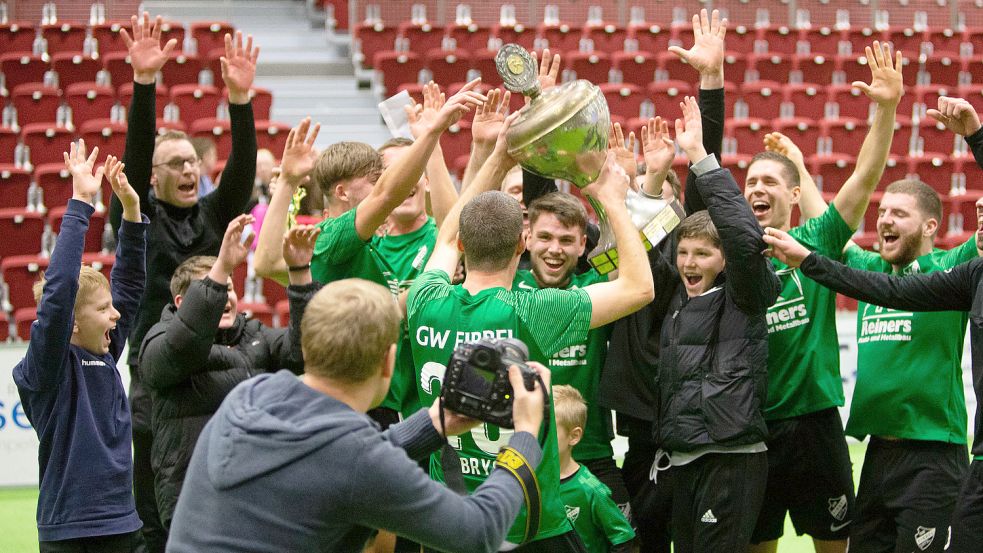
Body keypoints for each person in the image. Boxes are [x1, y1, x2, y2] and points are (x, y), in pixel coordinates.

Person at [406, 101, 654, 550]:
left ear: (464, 243)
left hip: (449, 523)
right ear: (523, 244)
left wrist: (498, 156)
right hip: (526, 524)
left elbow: (445, 234)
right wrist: (611, 200)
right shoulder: (531, 309)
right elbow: (638, 287)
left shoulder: (424, 299)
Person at [166, 274, 554, 553]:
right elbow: (478, 533)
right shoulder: (355, 459)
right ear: (389, 360)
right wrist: (525, 434)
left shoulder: (252, 394)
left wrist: (437, 422)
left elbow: (332, 462)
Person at [763, 96, 983, 553]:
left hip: (933, 456)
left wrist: (974, 136)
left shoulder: (954, 268)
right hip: (878, 456)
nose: (883, 219)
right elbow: (829, 225)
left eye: (898, 214)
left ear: (929, 227)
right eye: (881, 212)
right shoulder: (869, 270)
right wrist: (800, 167)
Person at [107, 14, 259, 551]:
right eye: (175, 164)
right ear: (153, 176)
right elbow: (133, 154)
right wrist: (144, 84)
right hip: (159, 375)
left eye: (193, 162)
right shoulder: (135, 217)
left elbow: (241, 170)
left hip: (221, 372)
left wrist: (240, 102)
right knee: (155, 511)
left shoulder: (214, 216)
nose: (189, 171)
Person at [745, 42, 904, 553]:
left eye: (769, 180)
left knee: (835, 545)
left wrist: (887, 109)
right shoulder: (733, 260)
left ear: (795, 195)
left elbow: (865, 177)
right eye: (749, 182)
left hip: (815, 424)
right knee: (756, 544)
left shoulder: (818, 242)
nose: (755, 189)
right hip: (751, 426)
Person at [596, 10, 728, 552]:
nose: (664, 203)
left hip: (693, 419)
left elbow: (704, 174)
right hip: (641, 422)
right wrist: (640, 187)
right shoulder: (621, 254)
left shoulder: (689, 248)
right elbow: (623, 242)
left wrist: (712, 83)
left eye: (669, 195)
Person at [646, 96, 781, 553]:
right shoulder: (674, 300)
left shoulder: (745, 295)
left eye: (703, 253)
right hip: (682, 459)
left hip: (729, 459)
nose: (688, 262)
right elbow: (640, 253)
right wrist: (647, 182)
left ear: (724, 261)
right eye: (683, 252)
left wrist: (702, 159)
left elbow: (746, 241)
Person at [139, 216, 320, 534]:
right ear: (182, 303)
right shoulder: (159, 340)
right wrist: (221, 267)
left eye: (231, 288)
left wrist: (300, 275)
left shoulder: (255, 334)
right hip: (194, 503)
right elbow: (182, 348)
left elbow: (309, 353)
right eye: (218, 288)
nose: (227, 297)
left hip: (259, 493)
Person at [15, 144, 148, 552]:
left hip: (124, 524)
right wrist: (80, 204)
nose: (115, 317)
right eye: (104, 309)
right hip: (71, 533)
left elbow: (129, 285)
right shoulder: (46, 369)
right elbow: (57, 297)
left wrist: (131, 212)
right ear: (72, 324)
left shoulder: (105, 354)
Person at [512, 191, 631, 521]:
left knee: (628, 540)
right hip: (520, 451)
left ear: (582, 246)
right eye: (545, 237)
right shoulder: (505, 288)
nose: (554, 249)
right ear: (527, 239)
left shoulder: (596, 287)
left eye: (566, 240)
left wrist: (618, 193)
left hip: (589, 449)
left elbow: (633, 266)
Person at [553, 385, 636, 553]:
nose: (538, 435)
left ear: (574, 436)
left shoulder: (591, 489)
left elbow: (624, 540)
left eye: (548, 429)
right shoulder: (531, 482)